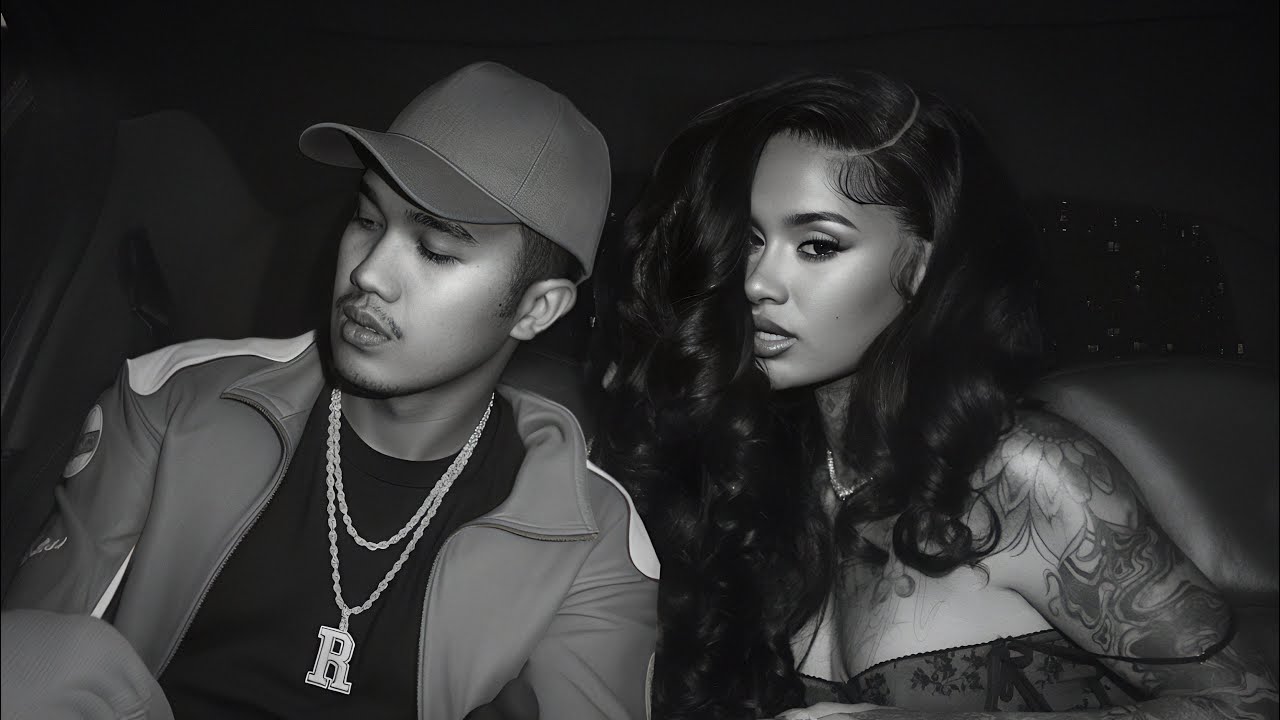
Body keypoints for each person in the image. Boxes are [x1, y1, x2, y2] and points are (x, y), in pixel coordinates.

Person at [590, 71, 1276, 719]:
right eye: (750, 240)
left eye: (818, 245)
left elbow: (1247, 705)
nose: (757, 283)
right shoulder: (763, 483)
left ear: (921, 264)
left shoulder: (1021, 475)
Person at [3, 60, 658, 719]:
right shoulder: (173, 400)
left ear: (537, 309)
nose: (369, 273)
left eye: (435, 249)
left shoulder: (593, 534)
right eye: (368, 219)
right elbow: (34, 664)